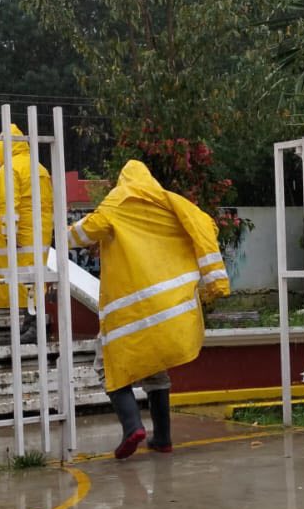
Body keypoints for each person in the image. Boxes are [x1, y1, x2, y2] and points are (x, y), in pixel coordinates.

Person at [67, 160, 230, 458]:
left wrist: (55, 234)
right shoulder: (170, 204)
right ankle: (163, 438)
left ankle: (132, 427)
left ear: (123, 181)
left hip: (130, 314)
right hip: (167, 312)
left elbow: (82, 234)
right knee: (156, 369)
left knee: (107, 366)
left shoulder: (118, 202)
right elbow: (206, 227)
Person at [0, 124, 53, 345]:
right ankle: (31, 325)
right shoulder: (39, 168)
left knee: (26, 281)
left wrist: (9, 234)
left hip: (21, 235)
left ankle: (33, 327)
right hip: (39, 232)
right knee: (34, 279)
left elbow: (10, 203)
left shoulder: (9, 169)